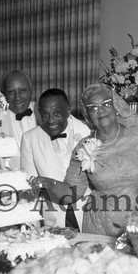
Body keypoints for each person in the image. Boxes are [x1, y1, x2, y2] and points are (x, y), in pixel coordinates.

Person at [31, 83, 138, 237]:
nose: (100, 109)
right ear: (88, 115)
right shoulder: (83, 147)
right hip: (99, 225)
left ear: (116, 106)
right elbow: (71, 192)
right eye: (93, 107)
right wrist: (51, 184)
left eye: (106, 103)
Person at [20, 88, 91, 230]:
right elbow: (29, 186)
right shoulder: (29, 138)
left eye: (57, 113)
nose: (51, 120)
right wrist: (30, 226)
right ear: (39, 113)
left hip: (88, 213)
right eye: (45, 114)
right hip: (54, 217)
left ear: (68, 111)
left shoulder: (88, 132)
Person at [0, 69, 39, 169]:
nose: (17, 98)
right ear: (3, 94)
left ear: (31, 91)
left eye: (23, 90)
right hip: (7, 182)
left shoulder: (43, 111)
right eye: (11, 92)